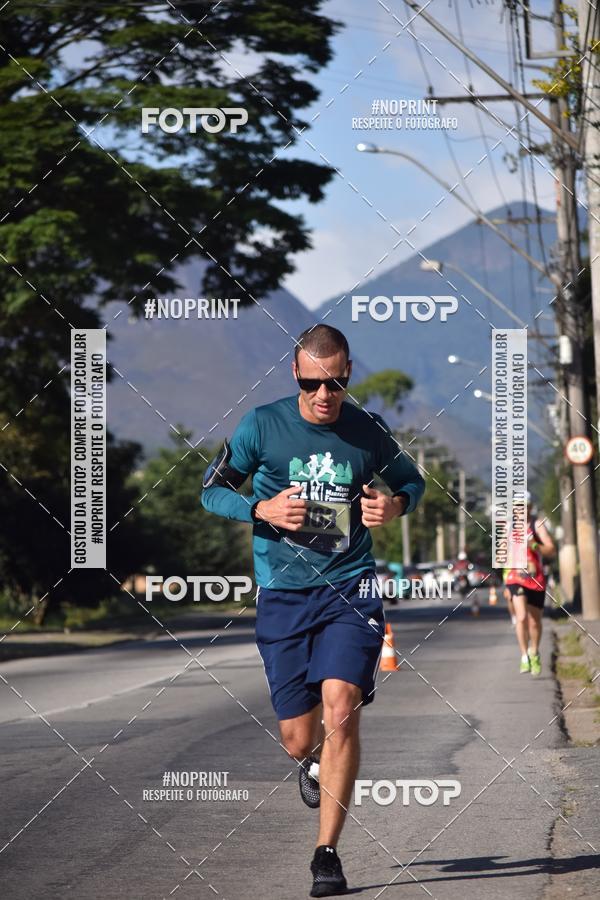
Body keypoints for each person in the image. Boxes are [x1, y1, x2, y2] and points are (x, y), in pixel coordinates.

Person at [201, 324, 425, 897]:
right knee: (300, 739)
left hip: (350, 586)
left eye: (335, 384)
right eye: (311, 383)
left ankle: (327, 854)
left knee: (342, 705)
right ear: (295, 375)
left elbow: (410, 481)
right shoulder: (262, 425)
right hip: (282, 592)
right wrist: (262, 508)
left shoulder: (367, 429)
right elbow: (211, 489)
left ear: (348, 374)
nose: (323, 395)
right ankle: (310, 764)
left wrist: (394, 505)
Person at [504, 493, 555, 676]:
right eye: (516, 506)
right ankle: (524, 656)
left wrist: (534, 546)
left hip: (535, 579)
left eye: (523, 506)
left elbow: (551, 550)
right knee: (522, 617)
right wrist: (505, 579)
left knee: (535, 622)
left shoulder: (537, 525)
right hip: (515, 578)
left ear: (530, 507)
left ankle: (534, 651)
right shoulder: (508, 527)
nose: (520, 510)